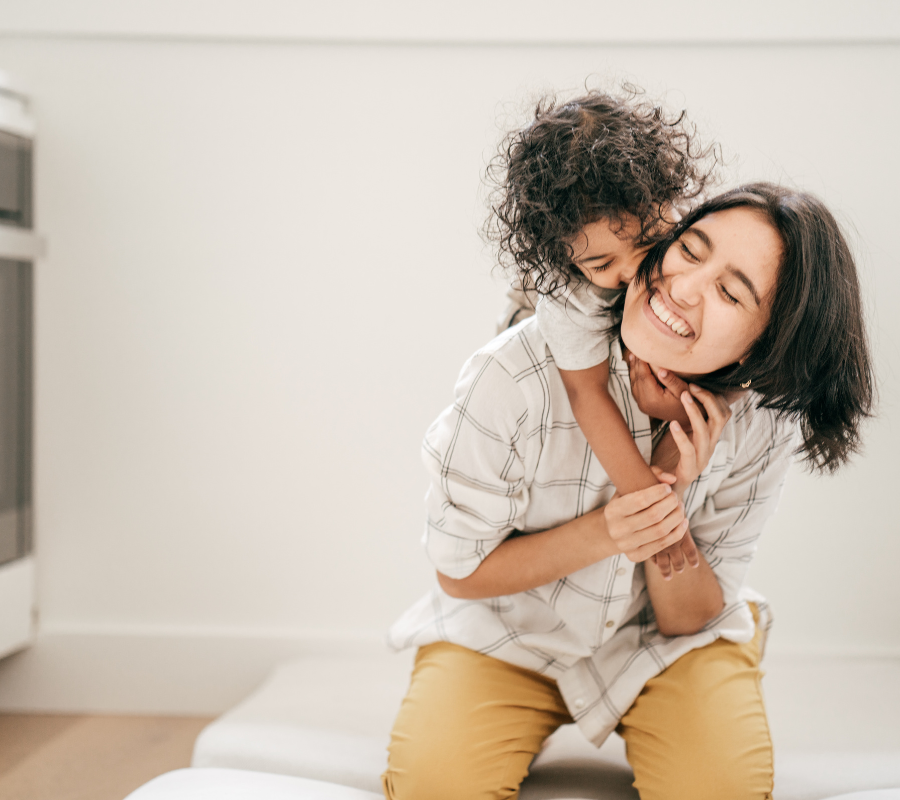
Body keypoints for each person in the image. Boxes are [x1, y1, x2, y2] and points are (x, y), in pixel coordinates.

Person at [382, 183, 873, 800]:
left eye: (728, 291)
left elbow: (688, 618)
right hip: (506, 630)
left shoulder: (758, 424)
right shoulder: (514, 372)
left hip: (662, 643)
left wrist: (673, 478)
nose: (683, 287)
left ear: (764, 347)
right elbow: (459, 574)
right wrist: (614, 524)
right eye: (689, 250)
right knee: (437, 788)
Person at [487, 88, 719, 578]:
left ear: (670, 201)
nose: (636, 270)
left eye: (650, 242)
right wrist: (654, 508)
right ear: (569, 260)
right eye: (602, 263)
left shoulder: (698, 231)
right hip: (530, 309)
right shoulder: (569, 294)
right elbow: (586, 392)